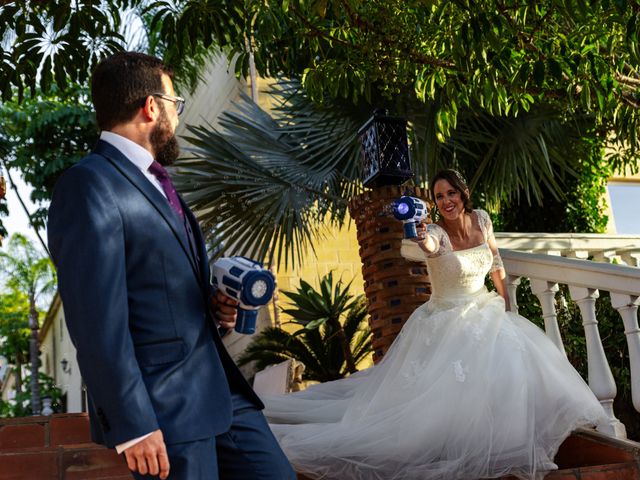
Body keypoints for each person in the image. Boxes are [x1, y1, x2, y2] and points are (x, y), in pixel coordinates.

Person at [262, 169, 607, 480]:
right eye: (439, 197)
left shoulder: (482, 220)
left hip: (485, 307)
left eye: (451, 194)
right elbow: (427, 246)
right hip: (445, 317)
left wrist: (506, 302)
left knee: (514, 367)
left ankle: (505, 445)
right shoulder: (435, 232)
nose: (446, 201)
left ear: (463, 193)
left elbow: (496, 262)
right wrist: (418, 234)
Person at [47, 51, 295, 480]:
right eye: (174, 105)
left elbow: (163, 294)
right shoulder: (88, 185)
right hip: (165, 410)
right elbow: (95, 320)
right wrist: (133, 423)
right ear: (151, 107)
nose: (177, 117)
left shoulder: (159, 182)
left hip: (222, 394)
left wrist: (215, 310)